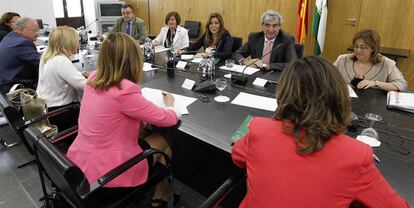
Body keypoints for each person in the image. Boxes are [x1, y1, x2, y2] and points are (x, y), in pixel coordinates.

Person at [232, 56, 409, 208]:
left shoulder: (259, 129)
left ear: (284, 93)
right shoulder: (356, 155)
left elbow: (238, 156)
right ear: (338, 95)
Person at [66, 32, 180, 207]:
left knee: (143, 131)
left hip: (80, 165)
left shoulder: (93, 78)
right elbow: (167, 120)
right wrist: (171, 105)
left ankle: (160, 195)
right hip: (107, 177)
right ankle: (160, 198)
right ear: (133, 60)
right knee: (164, 138)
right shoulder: (126, 90)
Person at [36, 26, 87, 131]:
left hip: (47, 110)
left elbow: (63, 75)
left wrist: (83, 73)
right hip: (61, 113)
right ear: (68, 43)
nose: (78, 44)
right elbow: (84, 86)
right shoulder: (61, 61)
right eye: (76, 41)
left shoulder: (48, 55)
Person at [334, 29, 407, 91]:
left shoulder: (387, 63)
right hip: (344, 102)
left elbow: (402, 85)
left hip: (373, 104)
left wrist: (376, 83)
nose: (358, 50)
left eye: (363, 47)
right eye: (356, 46)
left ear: (373, 49)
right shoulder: (342, 60)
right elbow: (327, 78)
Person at [232, 10, 297, 71]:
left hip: (275, 76)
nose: (271, 30)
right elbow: (237, 54)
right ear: (262, 26)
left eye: (275, 26)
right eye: (267, 25)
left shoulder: (287, 39)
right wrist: (246, 62)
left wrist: (266, 66)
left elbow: (292, 64)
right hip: (256, 74)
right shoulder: (254, 37)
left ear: (279, 27)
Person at [0, 17, 40, 93]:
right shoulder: (22, 43)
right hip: (15, 87)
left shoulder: (9, 37)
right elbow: (41, 62)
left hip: (5, 83)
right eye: (34, 31)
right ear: (21, 30)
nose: (37, 34)